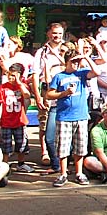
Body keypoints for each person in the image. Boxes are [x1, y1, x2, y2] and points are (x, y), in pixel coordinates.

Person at [46, 49, 99, 187]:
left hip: (81, 116)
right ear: (66, 62)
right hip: (64, 116)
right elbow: (49, 94)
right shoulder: (59, 76)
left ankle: (79, 172)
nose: (75, 64)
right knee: (63, 148)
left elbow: (97, 72)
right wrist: (64, 93)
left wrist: (86, 57)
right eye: (73, 61)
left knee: (80, 147)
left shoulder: (81, 74)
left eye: (77, 61)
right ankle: (63, 173)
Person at [32, 22, 67, 172]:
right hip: (47, 91)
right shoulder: (41, 52)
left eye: (59, 33)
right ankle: (46, 153)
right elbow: (34, 75)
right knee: (44, 124)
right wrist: (38, 97)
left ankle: (64, 159)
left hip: (66, 92)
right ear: (48, 34)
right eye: (54, 33)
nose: (57, 36)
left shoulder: (68, 49)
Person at [0, 63, 33, 173]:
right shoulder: (3, 87)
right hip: (6, 121)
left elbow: (26, 95)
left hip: (19, 120)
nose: (11, 78)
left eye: (14, 75)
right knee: (6, 145)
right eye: (9, 75)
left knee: (21, 144)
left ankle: (21, 163)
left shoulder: (23, 86)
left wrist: (19, 82)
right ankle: (5, 165)